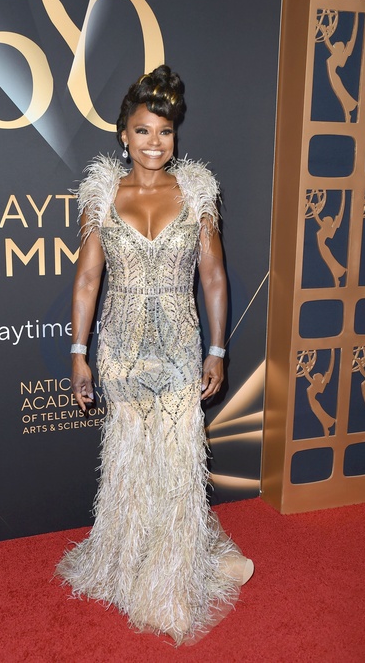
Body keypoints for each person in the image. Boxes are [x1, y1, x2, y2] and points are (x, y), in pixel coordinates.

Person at [56, 65, 253, 645]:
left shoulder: (196, 193)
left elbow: (213, 277)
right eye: (143, 130)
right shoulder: (100, 196)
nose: (154, 143)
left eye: (165, 131)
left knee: (176, 462)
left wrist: (217, 349)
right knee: (129, 461)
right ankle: (129, 558)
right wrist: (79, 352)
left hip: (179, 350)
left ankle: (170, 582)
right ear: (124, 134)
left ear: (175, 136)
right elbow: (87, 279)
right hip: (119, 350)